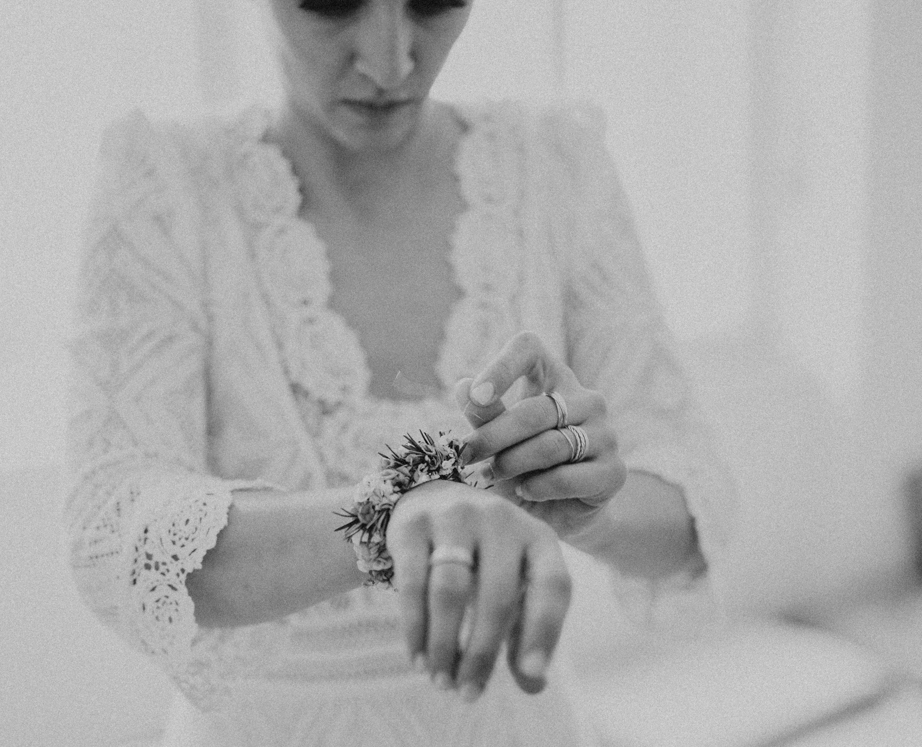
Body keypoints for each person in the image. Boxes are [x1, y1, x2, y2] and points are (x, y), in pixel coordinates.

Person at [64, 1, 734, 745]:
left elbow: (695, 508)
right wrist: (386, 515)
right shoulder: (166, 182)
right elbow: (110, 531)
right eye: (331, 1)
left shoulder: (556, 163)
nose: (391, 63)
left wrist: (587, 504)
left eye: (435, 1)